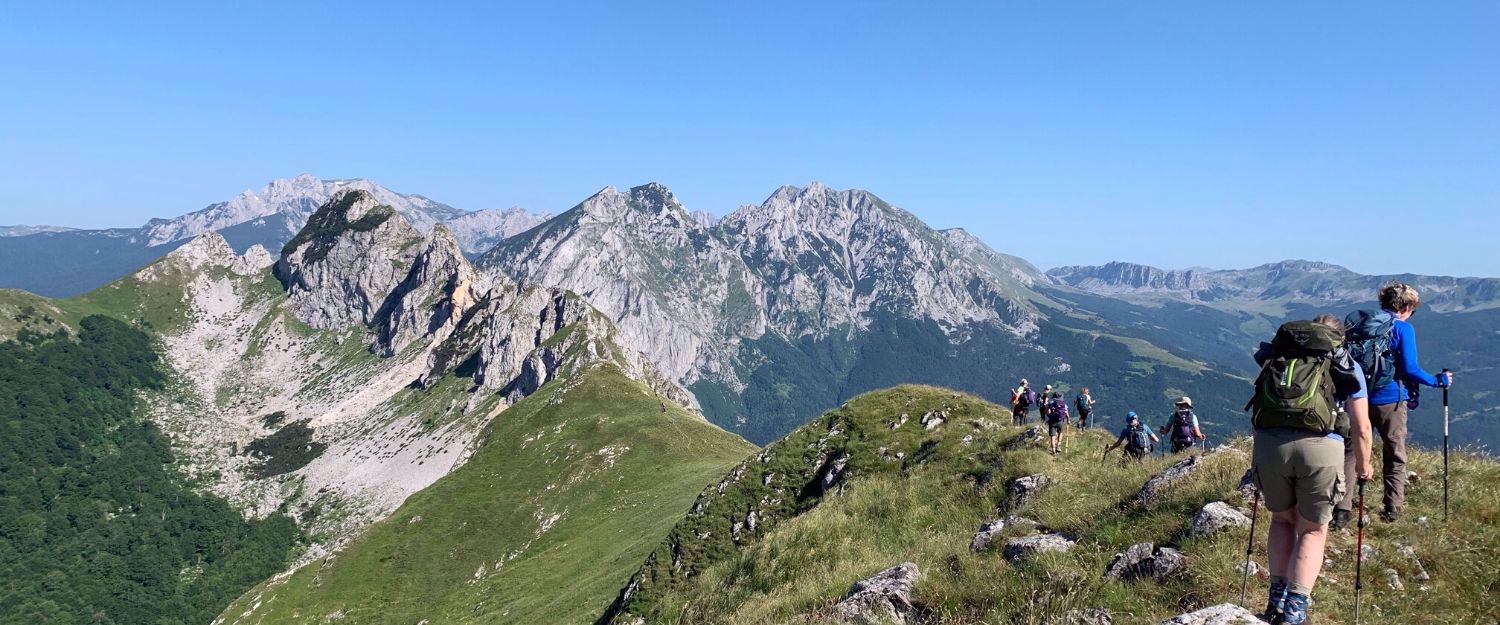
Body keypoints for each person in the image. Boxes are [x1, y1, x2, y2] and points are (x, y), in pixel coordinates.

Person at [1250, 314, 1373, 625]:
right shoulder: (1345, 363)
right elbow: (1361, 428)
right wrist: (1364, 465)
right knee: (1313, 530)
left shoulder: (1280, 359)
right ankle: (1294, 611)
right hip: (1321, 448)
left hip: (1271, 446)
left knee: (1281, 521)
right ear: (1339, 338)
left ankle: (1275, 602)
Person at [1334, 282, 1454, 524]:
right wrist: (1437, 381)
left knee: (1351, 451)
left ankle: (1341, 510)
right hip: (1390, 399)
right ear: (1406, 306)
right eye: (1412, 310)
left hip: (1356, 396)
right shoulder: (1402, 328)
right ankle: (1392, 508)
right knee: (1394, 453)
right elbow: (1410, 368)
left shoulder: (1362, 325)